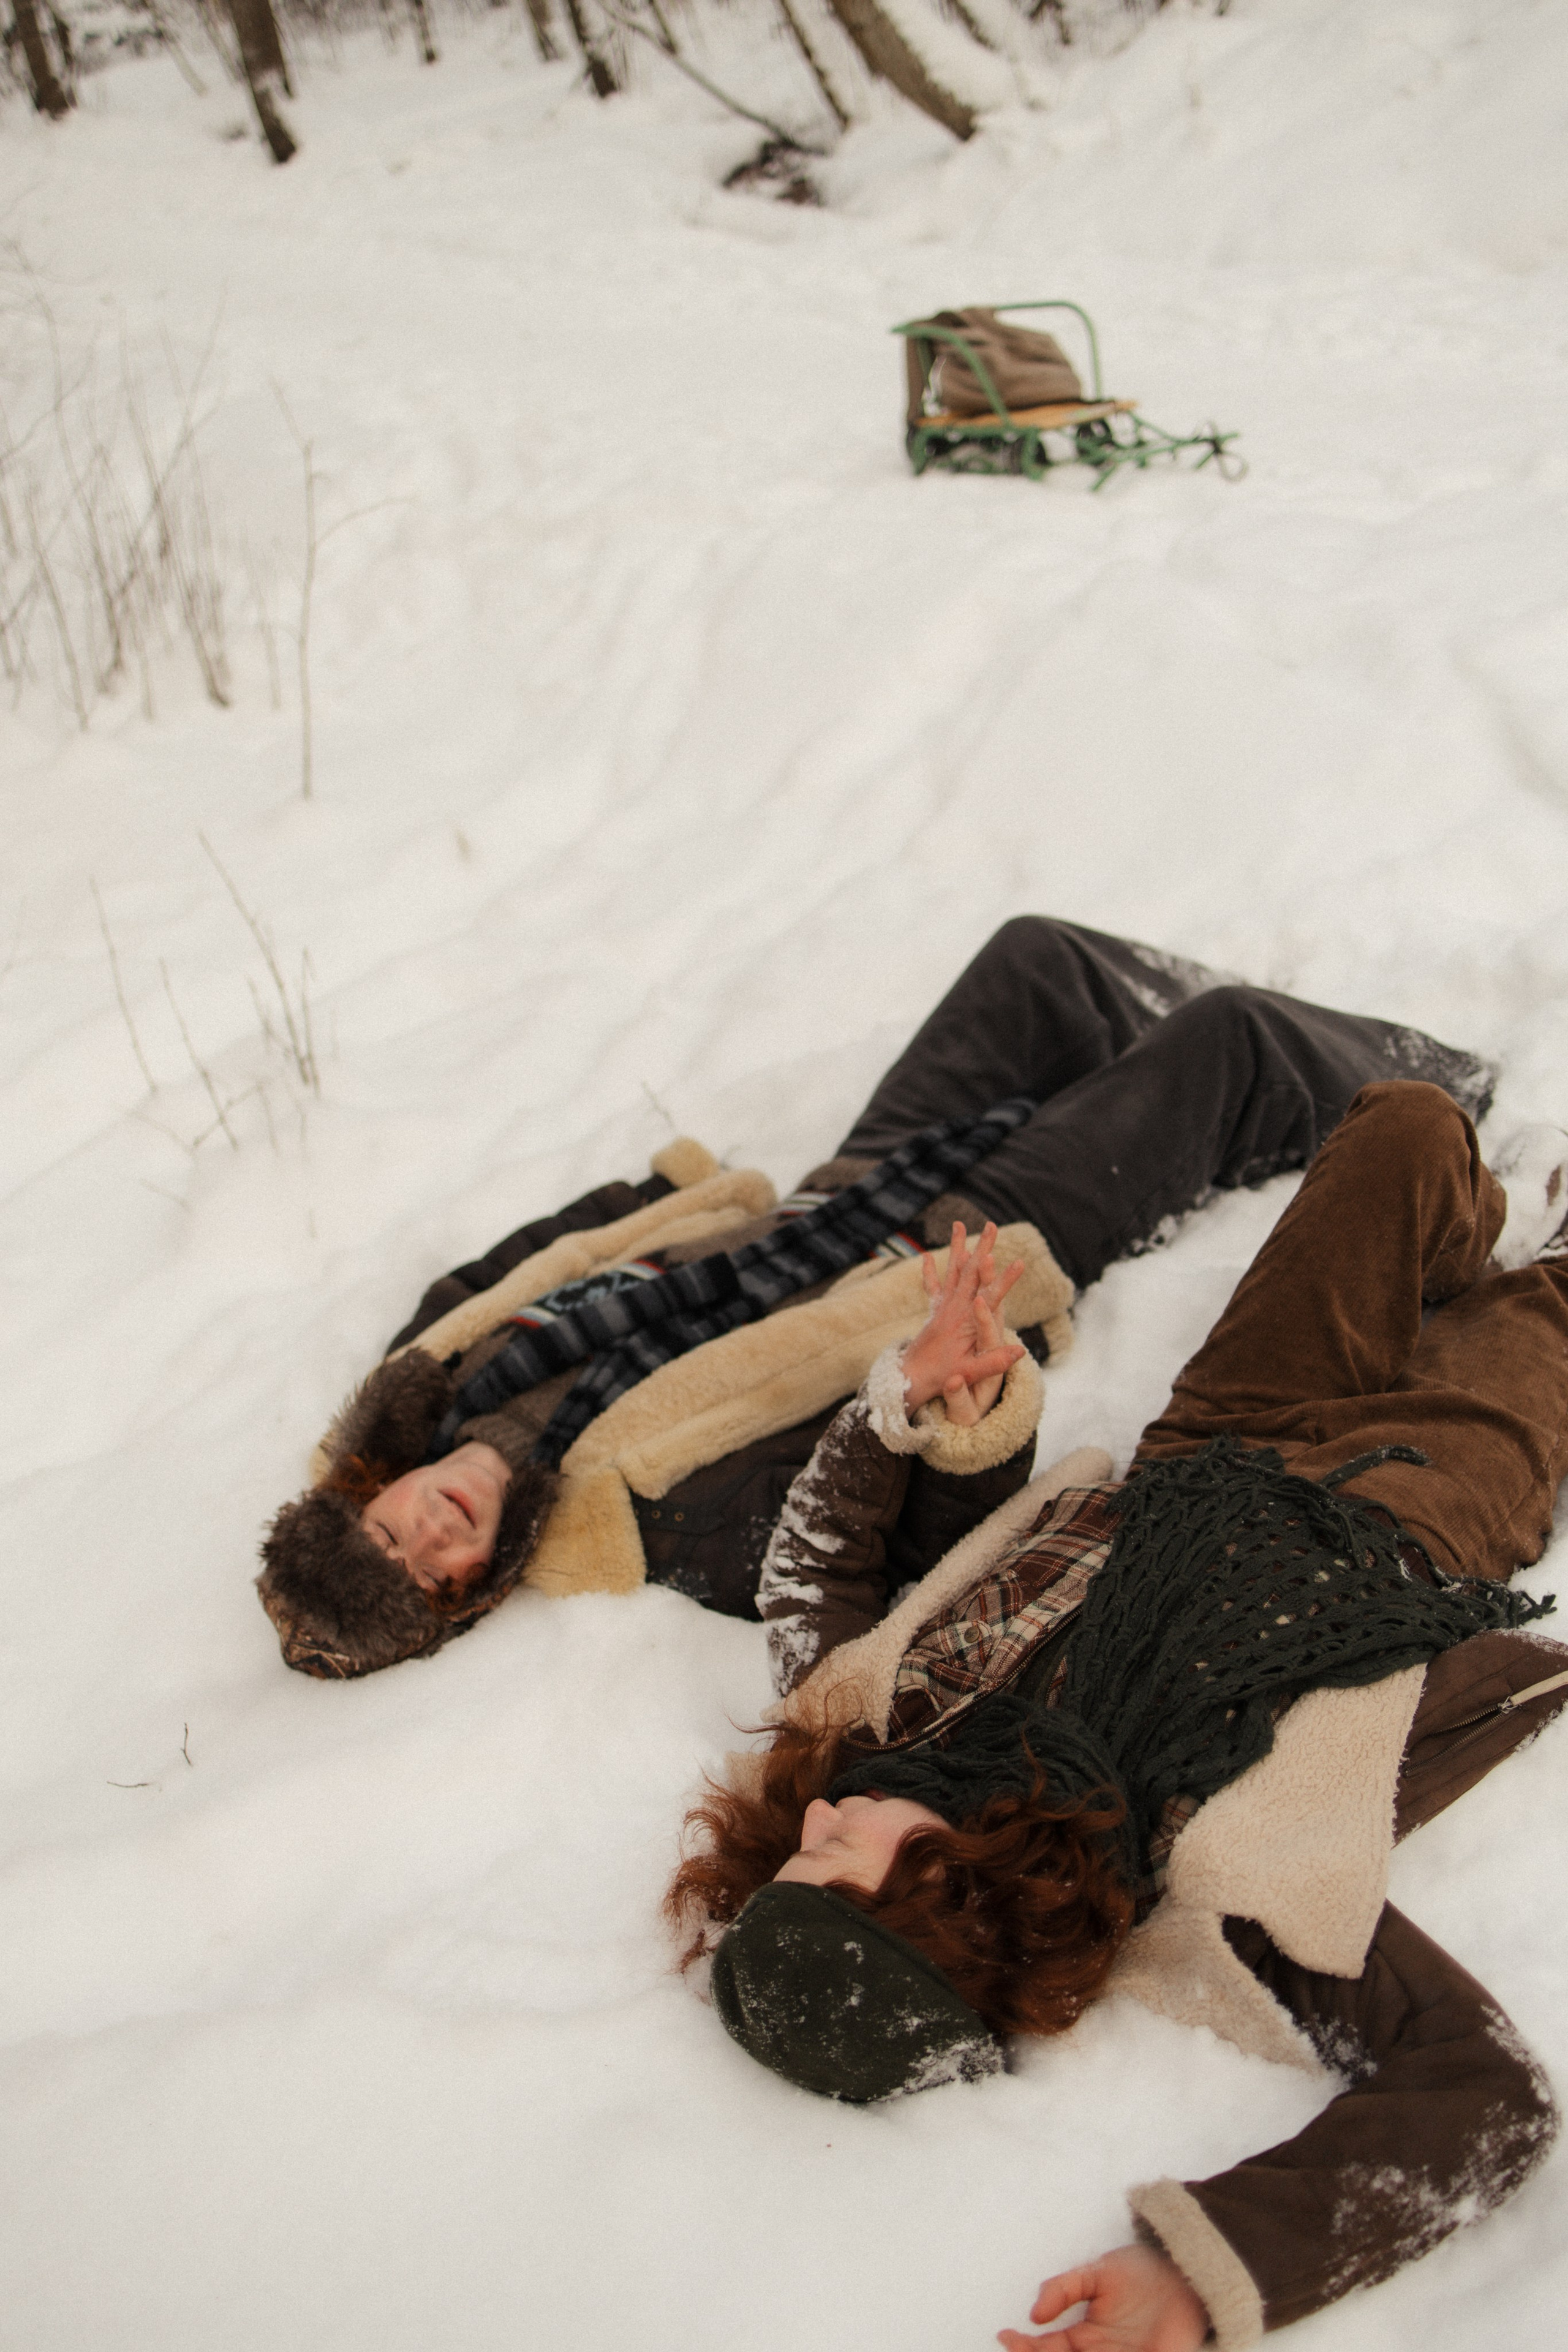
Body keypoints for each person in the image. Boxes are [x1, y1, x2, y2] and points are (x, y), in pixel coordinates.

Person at [667, 1080, 1568, 2350]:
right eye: (830, 1859)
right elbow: (1483, 2097)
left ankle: (1471, 1225)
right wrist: (1207, 2273)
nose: (812, 1814)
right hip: (1407, 1518)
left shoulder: (880, 1729)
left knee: (1408, 1130)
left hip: (1213, 1443)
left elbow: (809, 1574)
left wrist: (909, 1406)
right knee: (1553, 1309)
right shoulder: (1205, 1883)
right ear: (933, 1908)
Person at [255, 915, 1497, 1679]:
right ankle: (1447, 1086)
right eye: (434, 1569)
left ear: (371, 1493)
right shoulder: (659, 1531)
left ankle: (1168, 1054)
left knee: (1035, 964)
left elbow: (520, 1262)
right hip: (958, 1256)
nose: (431, 1528)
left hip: (829, 1194)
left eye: (390, 1530)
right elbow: (892, 1546)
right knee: (1230, 1044)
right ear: (473, 1590)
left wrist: (660, 1192)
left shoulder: (442, 1369)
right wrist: (951, 1397)